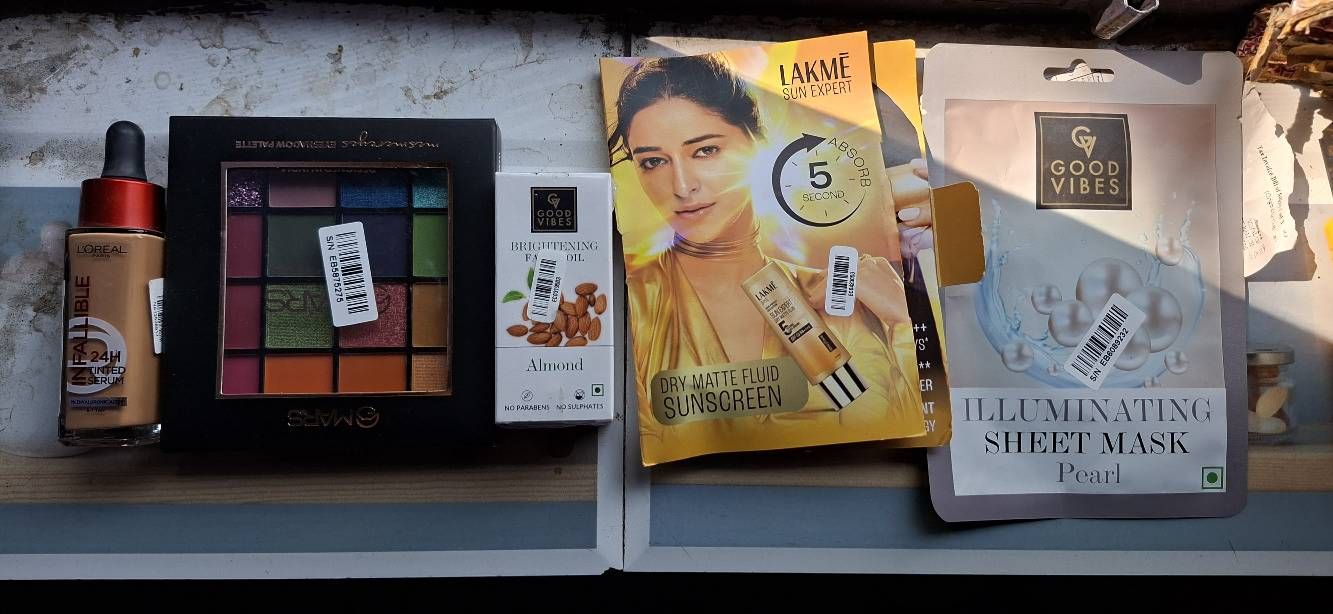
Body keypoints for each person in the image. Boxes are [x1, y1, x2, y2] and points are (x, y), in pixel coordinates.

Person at [608, 54, 922, 448]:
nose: (682, 187)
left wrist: (901, 320)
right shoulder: (635, 304)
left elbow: (893, 427)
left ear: (756, 143)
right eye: (653, 161)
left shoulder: (835, 297)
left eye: (705, 151)